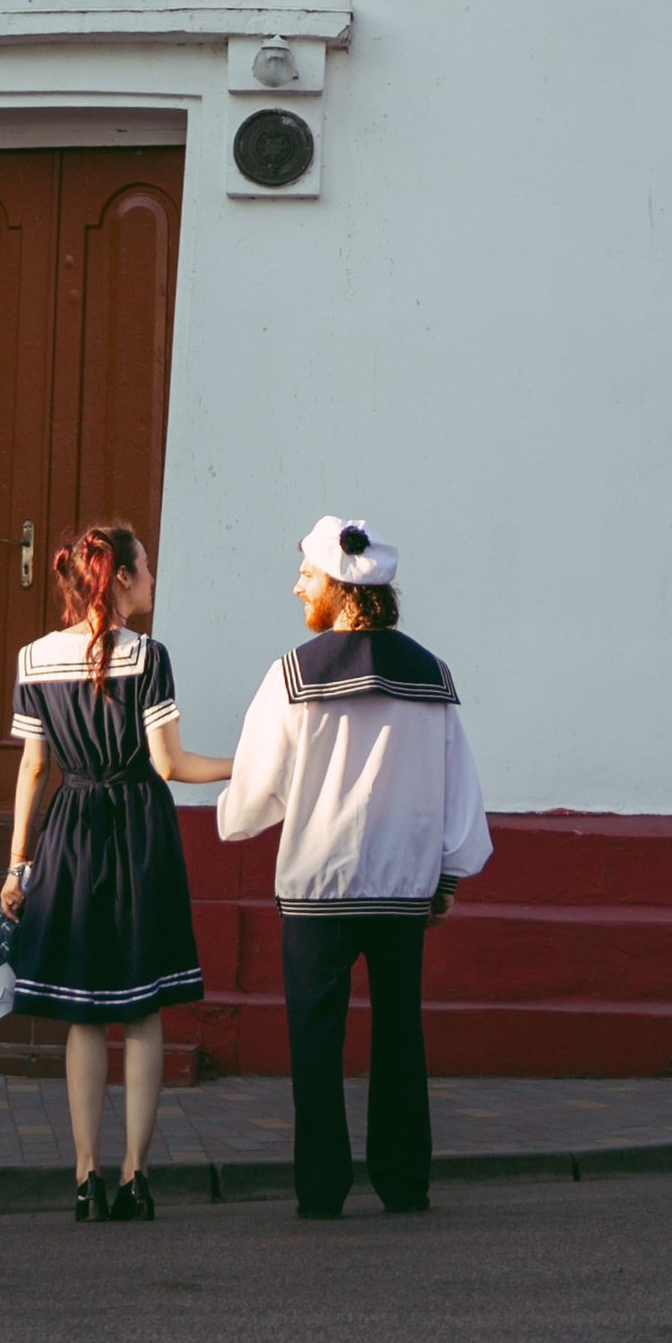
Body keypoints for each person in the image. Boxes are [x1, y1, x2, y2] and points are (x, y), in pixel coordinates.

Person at [218, 512, 492, 1218]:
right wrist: (450, 872)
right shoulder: (431, 674)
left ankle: (322, 1189)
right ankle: (404, 1183)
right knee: (401, 1033)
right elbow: (457, 780)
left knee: (315, 1039)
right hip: (401, 885)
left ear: (340, 589)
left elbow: (254, 787)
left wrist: (238, 813)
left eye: (307, 575)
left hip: (317, 884)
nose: (296, 587)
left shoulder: (292, 674)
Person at [0, 518, 232, 1222]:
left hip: (69, 827)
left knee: (80, 1013)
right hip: (137, 827)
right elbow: (169, 765)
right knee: (141, 1006)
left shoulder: (33, 659)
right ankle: (135, 1176)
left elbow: (35, 767)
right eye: (148, 568)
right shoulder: (148, 657)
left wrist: (16, 866)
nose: (155, 580)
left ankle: (83, 1177)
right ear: (122, 578)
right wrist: (251, 765)